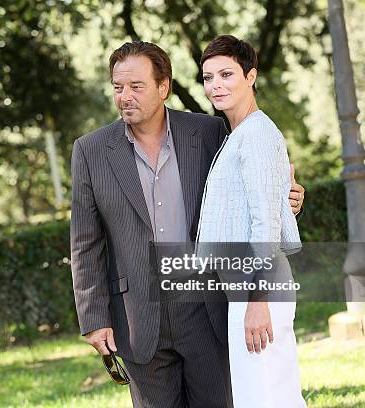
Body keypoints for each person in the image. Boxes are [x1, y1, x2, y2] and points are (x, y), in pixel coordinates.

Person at [70, 40, 305, 407]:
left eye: (136, 86)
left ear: (163, 87)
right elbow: (85, 241)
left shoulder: (209, 132)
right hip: (137, 316)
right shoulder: (90, 150)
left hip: (206, 306)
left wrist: (287, 200)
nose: (124, 96)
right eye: (118, 88)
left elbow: (247, 193)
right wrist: (94, 317)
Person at [197, 35, 307, 407]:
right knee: (262, 395)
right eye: (208, 77)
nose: (216, 85)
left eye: (226, 74)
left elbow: (263, 224)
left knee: (269, 397)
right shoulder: (238, 135)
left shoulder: (257, 134)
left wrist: (257, 299)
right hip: (244, 287)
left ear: (251, 76)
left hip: (259, 286)